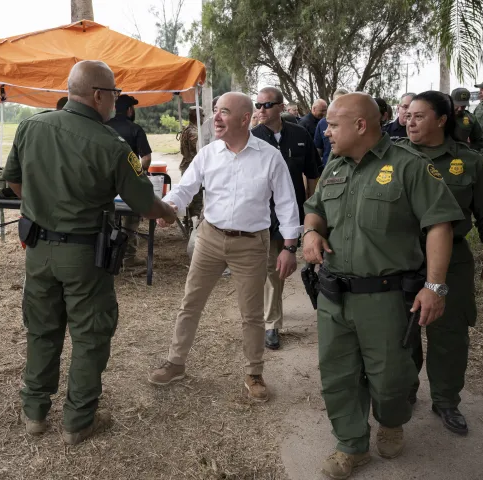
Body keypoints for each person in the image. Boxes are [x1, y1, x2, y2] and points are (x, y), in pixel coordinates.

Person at [3, 60, 176, 444]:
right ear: (98, 94)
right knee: (89, 335)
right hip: (84, 254)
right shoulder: (112, 145)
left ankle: (34, 412)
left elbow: (13, 179)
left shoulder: (31, 126)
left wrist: (43, 208)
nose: (115, 100)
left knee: (42, 330)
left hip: (38, 249)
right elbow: (144, 203)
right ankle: (78, 422)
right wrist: (168, 213)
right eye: (113, 93)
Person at [303, 93, 464, 479]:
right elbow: (317, 209)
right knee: (338, 375)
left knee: (392, 379)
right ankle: (351, 445)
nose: (326, 131)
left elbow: (438, 224)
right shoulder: (335, 166)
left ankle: (391, 422)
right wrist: (310, 233)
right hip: (334, 293)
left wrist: (435, 286)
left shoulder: (410, 166)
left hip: (388, 298)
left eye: (334, 124)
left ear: (361, 125)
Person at [147, 92, 301, 403]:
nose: (215, 118)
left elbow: (286, 203)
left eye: (224, 112)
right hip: (210, 238)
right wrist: (168, 208)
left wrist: (289, 246)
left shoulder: (270, 157)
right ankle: (175, 363)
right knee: (190, 303)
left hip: (251, 245)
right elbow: (185, 188)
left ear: (245, 119)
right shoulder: (208, 154)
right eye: (215, 111)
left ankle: (254, 373)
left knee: (252, 314)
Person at [400, 91, 483, 435]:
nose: (409, 121)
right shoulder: (394, 156)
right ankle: (406, 389)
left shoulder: (469, 161)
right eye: (407, 115)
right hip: (401, 258)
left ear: (442, 120)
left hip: (453, 259)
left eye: (418, 116)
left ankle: (446, 401)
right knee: (401, 330)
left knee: (449, 334)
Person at [251, 86, 321, 350]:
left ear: (281, 106)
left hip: (291, 216)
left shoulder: (300, 135)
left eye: (266, 105)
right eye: (257, 105)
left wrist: (310, 208)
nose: (260, 110)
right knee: (271, 269)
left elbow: (312, 175)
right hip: (263, 216)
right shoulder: (252, 139)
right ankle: (272, 323)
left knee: (278, 270)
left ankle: (272, 319)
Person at [106, 94, 153, 267]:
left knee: (108, 218)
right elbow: (146, 158)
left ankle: (107, 254)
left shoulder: (103, 126)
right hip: (127, 183)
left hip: (104, 182)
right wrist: (139, 174)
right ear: (129, 110)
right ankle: (129, 257)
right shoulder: (135, 129)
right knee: (131, 219)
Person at [179, 107, 204, 225]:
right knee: (197, 198)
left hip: (186, 165)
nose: (204, 118)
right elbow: (198, 149)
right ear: (197, 117)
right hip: (192, 167)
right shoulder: (194, 132)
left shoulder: (186, 129)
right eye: (202, 115)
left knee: (189, 197)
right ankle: (194, 223)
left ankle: (188, 219)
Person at [315, 88, 349, 166]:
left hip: (348, 168)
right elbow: (318, 149)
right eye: (336, 101)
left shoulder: (353, 123)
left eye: (343, 101)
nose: (339, 105)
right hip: (328, 168)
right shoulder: (322, 123)